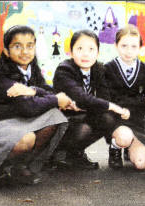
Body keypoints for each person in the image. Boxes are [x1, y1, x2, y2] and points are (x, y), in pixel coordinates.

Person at [0, 25, 72, 185]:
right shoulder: (1, 77)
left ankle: (19, 166)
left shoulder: (31, 69)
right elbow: (28, 108)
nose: (25, 51)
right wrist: (56, 99)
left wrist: (33, 90)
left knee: (55, 116)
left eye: (29, 46)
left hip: (15, 124)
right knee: (27, 139)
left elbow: (49, 91)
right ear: (7, 51)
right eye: (17, 46)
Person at [53, 29, 128, 169]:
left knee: (108, 118)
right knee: (86, 128)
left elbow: (104, 97)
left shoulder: (98, 69)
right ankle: (58, 154)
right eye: (80, 48)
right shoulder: (64, 70)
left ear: (97, 52)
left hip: (81, 115)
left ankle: (75, 154)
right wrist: (109, 106)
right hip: (62, 121)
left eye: (91, 49)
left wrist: (101, 106)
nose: (85, 54)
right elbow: (81, 97)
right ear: (71, 51)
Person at [104, 24, 145, 170]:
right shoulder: (108, 68)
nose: (128, 51)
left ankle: (130, 146)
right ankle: (115, 147)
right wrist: (138, 102)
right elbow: (109, 98)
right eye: (124, 45)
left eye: (133, 46)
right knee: (124, 137)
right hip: (116, 119)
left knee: (141, 164)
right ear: (116, 46)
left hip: (137, 119)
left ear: (140, 48)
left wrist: (134, 108)